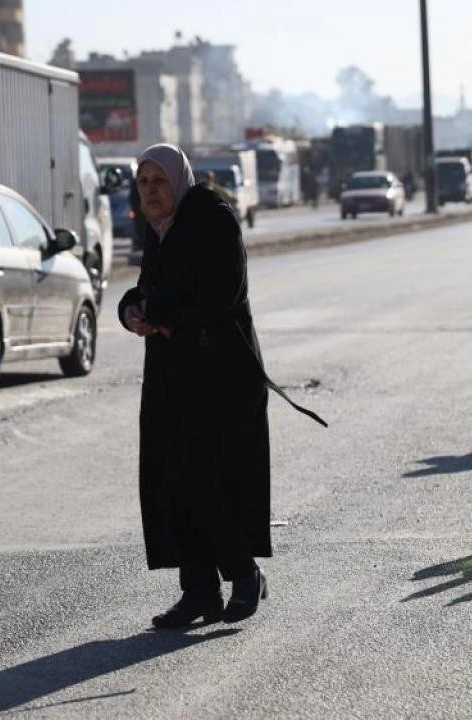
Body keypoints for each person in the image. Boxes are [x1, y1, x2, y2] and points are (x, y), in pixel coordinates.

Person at [118, 143, 326, 629]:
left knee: (210, 482)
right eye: (144, 182)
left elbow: (223, 292)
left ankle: (244, 573)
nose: (151, 191)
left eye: (159, 181)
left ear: (179, 180)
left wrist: (163, 319)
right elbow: (149, 287)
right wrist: (131, 310)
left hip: (222, 376)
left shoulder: (212, 218)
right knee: (174, 481)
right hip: (174, 376)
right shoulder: (160, 229)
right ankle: (199, 593)